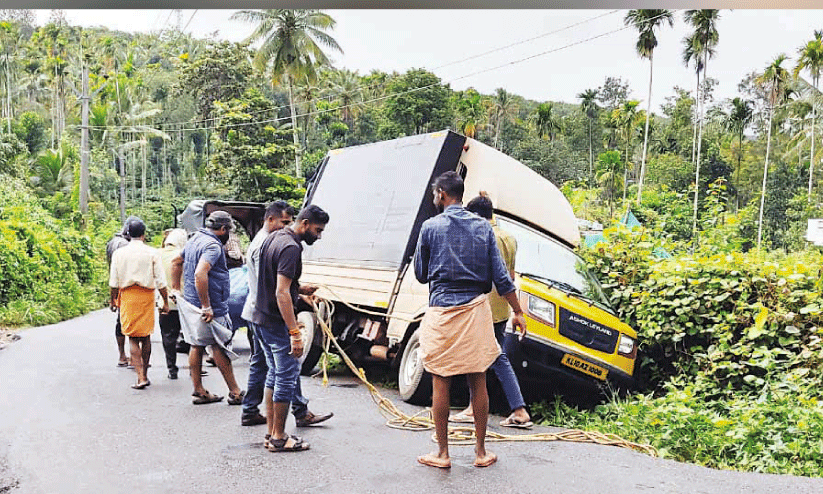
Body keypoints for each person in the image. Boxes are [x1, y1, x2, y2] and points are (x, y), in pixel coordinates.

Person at [413, 171, 527, 469]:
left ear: (440, 194)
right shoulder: (483, 227)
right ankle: (480, 452)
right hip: (476, 310)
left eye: (434, 194)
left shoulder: (430, 227)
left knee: (441, 380)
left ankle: (442, 453)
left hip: (441, 311)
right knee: (478, 379)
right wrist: (518, 311)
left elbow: (421, 274)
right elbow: (502, 280)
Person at [241, 201, 333, 428]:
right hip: (273, 319)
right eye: (318, 230)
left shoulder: (273, 237)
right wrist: (294, 332)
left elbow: (276, 282)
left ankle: (272, 433)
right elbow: (281, 292)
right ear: (305, 223)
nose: (319, 236)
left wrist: (298, 290)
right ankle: (279, 436)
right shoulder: (291, 247)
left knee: (273, 372)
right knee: (285, 375)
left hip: (260, 315)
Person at [449, 193, 532, 428]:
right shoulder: (510, 238)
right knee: (494, 356)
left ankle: (482, 409)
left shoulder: (481, 235)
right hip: (502, 306)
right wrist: (516, 310)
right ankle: (515, 409)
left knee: (480, 357)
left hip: (481, 304)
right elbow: (512, 276)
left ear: (474, 216)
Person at [170, 211, 245, 405]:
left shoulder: (195, 239)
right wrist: (207, 306)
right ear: (222, 229)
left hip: (192, 302)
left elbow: (176, 262)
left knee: (197, 344)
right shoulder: (213, 245)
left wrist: (176, 288)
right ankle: (235, 391)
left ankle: (199, 389)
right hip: (210, 305)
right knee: (218, 346)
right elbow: (200, 273)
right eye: (228, 230)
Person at [109, 217, 170, 389]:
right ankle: (146, 373)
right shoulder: (152, 253)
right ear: (144, 234)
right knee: (146, 336)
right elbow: (161, 281)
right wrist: (165, 301)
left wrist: (113, 300)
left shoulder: (119, 254)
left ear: (127, 234)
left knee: (133, 337)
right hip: (147, 296)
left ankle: (140, 376)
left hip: (128, 296)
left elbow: (114, 282)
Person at [106, 216, 138, 368]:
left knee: (120, 320)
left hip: (116, 285)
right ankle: (134, 358)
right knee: (131, 322)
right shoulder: (126, 245)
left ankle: (122, 355)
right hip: (128, 287)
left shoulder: (112, 242)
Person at [158, 228, 188, 380]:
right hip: (185, 302)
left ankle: (172, 368)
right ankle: (196, 368)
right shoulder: (185, 254)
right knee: (191, 337)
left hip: (166, 302)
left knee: (168, 337)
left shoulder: (157, 254)